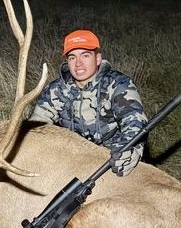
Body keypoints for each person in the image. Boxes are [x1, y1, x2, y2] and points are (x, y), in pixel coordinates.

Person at [30, 29, 147, 177]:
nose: (78, 63)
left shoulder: (118, 84)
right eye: (72, 57)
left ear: (98, 59)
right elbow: (36, 127)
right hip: (72, 160)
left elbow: (134, 122)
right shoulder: (55, 90)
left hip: (110, 160)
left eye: (85, 55)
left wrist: (131, 150)